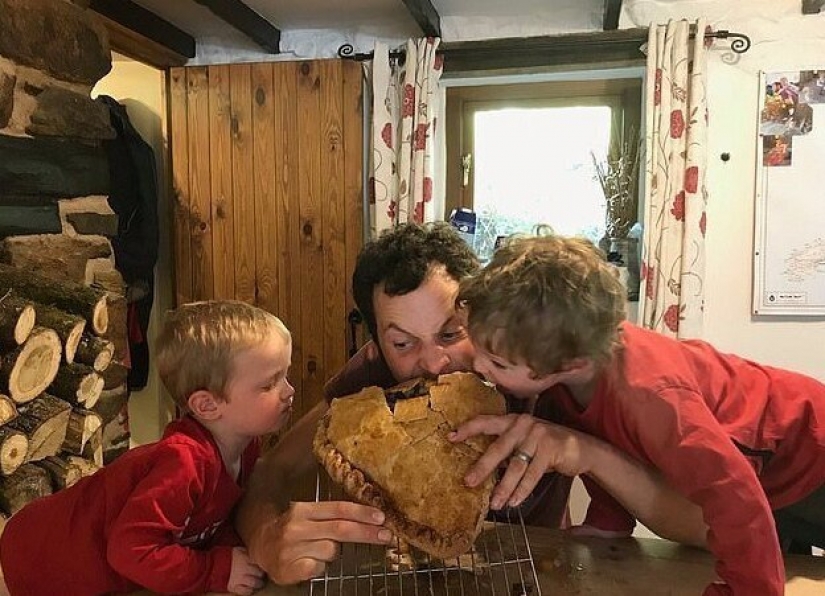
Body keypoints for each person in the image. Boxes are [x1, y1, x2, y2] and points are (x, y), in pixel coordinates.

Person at [236, 222, 707, 585]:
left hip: (536, 574)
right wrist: (263, 537)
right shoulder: (369, 386)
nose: (435, 362)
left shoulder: (544, 369)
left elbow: (702, 524)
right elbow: (270, 472)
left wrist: (589, 452)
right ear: (377, 344)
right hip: (410, 579)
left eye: (450, 333)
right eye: (403, 343)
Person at [451, 233, 825, 596]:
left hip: (810, 449)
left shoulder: (651, 397)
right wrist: (609, 521)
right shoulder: (573, 371)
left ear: (570, 363)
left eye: (497, 362)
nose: (479, 365)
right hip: (773, 475)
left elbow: (734, 497)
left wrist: (747, 589)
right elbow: (602, 442)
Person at [0, 300, 296, 596]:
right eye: (269, 384)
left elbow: (211, 518)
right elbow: (131, 550)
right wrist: (215, 569)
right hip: (38, 558)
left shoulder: (245, 448)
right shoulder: (185, 464)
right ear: (207, 405)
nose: (289, 391)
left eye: (285, 374)